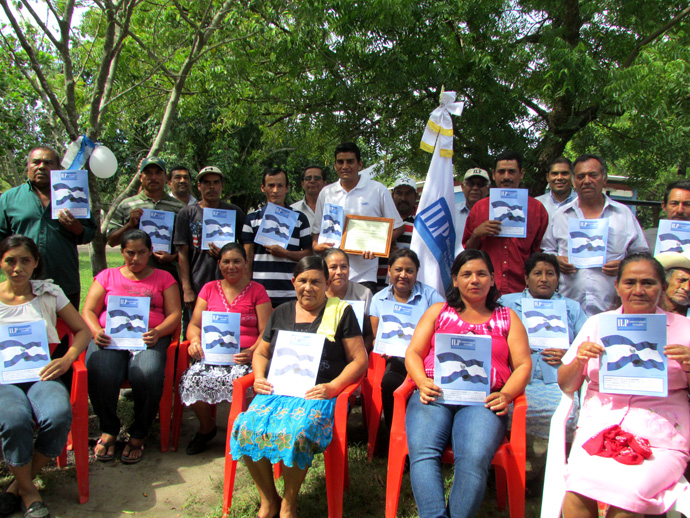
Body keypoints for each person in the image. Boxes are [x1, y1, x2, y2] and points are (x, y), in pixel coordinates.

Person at [230, 256, 367, 518]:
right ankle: (269, 498)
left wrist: (333, 387)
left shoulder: (340, 312)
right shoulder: (281, 312)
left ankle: (289, 503)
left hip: (319, 395)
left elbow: (360, 360)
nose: (308, 287)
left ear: (327, 283)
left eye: (316, 281)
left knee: (298, 430)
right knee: (245, 427)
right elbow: (261, 353)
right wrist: (259, 375)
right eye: (302, 281)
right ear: (293, 282)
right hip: (278, 391)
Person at [558, 253, 690, 517]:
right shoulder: (597, 324)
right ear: (617, 286)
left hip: (661, 436)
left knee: (628, 495)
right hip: (599, 431)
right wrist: (580, 360)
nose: (638, 290)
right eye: (630, 282)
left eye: (648, 283)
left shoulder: (684, 328)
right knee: (578, 488)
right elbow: (566, 384)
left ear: (662, 287)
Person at [404, 249, 531, 518]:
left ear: (493, 280)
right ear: (455, 280)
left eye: (482, 274)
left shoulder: (507, 317)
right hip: (435, 394)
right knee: (423, 453)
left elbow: (523, 366)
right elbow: (413, 353)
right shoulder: (438, 311)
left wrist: (506, 395)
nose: (475, 280)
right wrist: (421, 381)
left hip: (485, 400)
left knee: (473, 459)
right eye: (466, 274)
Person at [0, 235, 91, 518]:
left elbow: (84, 331)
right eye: (10, 260)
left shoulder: (49, 293)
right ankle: (30, 493)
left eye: (25, 260)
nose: (18, 268)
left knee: (59, 414)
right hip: (4, 380)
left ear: (36, 262)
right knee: (14, 421)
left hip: (43, 374)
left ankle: (17, 486)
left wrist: (66, 359)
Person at [83, 229, 182, 464]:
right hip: (110, 340)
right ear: (122, 252)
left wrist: (157, 332)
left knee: (148, 373)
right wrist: (97, 332)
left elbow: (175, 314)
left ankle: (139, 432)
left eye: (141, 253)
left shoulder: (164, 278)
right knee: (100, 371)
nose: (135, 258)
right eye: (130, 253)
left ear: (150, 252)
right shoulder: (107, 276)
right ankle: (109, 428)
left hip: (150, 340)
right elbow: (88, 310)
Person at [178, 243, 272, 455]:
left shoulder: (257, 291)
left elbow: (265, 331)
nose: (232, 266)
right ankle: (206, 427)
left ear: (246, 263)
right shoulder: (209, 289)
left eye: (237, 261)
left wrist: (252, 351)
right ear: (219, 264)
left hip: (243, 358)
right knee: (191, 379)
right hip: (211, 356)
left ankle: (243, 433)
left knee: (245, 383)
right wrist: (194, 341)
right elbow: (194, 325)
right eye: (226, 261)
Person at [541, 154, 649, 316]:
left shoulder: (622, 214)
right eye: (581, 176)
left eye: (593, 175)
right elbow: (547, 250)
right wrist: (556, 259)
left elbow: (642, 255)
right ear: (574, 181)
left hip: (612, 307)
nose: (587, 180)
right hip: (568, 307)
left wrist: (625, 266)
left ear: (604, 179)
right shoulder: (561, 215)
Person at [498, 253, 586, 440]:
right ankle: (515, 459)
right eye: (538, 273)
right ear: (526, 278)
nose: (544, 279)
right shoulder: (506, 303)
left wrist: (568, 354)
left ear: (558, 279)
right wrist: (514, 349)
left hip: (557, 378)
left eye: (550, 274)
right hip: (515, 376)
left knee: (567, 417)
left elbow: (586, 344)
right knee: (503, 413)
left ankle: (551, 462)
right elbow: (491, 338)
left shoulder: (572, 307)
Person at [0, 146, 97, 308]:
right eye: (36, 162)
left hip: (63, 279)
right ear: (28, 167)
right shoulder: (9, 198)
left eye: (48, 163)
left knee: (65, 330)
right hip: (22, 281)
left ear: (58, 169)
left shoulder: (74, 197)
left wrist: (77, 228)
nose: (41, 167)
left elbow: (90, 233)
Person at [312, 142, 404, 293]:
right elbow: (316, 233)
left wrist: (377, 245)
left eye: (350, 161)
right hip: (332, 274)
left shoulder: (378, 190)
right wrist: (317, 246)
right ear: (335, 165)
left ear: (359, 164)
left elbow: (398, 227)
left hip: (364, 275)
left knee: (360, 317)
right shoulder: (326, 193)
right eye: (340, 162)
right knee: (331, 316)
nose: (345, 166)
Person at [370, 248, 444, 433]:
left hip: (425, 357)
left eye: (409, 271)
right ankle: (393, 435)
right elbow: (376, 335)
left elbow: (444, 326)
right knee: (389, 382)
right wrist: (382, 347)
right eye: (398, 269)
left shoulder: (431, 296)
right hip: (393, 359)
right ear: (389, 271)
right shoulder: (379, 299)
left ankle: (422, 433)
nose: (403, 275)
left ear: (416, 273)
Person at [462, 150, 549, 295]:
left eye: (511, 171)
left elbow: (539, 253)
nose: (506, 177)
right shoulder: (480, 208)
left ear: (521, 174)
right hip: (486, 291)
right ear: (494, 174)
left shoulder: (536, 209)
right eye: (501, 172)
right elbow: (469, 252)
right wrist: (477, 233)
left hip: (522, 291)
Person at [174, 166, 246, 319]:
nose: (211, 187)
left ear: (222, 186)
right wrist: (186, 288)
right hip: (197, 283)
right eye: (206, 183)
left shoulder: (235, 213)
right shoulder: (186, 213)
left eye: (216, 182)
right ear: (199, 186)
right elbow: (182, 253)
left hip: (229, 284)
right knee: (193, 329)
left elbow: (245, 248)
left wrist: (226, 253)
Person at [107, 157, 186, 281]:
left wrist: (173, 257)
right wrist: (130, 225)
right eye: (148, 173)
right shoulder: (127, 204)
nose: (153, 177)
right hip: (133, 276)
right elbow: (111, 241)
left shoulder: (179, 207)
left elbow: (188, 245)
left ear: (166, 178)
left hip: (167, 275)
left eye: (158, 173)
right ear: (140, 178)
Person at [243, 168, 312, 308]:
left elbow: (308, 254)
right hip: (260, 293)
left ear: (287, 188)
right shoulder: (252, 219)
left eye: (280, 185)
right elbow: (247, 259)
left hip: (291, 293)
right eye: (271, 185)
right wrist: (246, 290)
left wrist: (285, 253)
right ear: (263, 188)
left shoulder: (299, 219)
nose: (275, 190)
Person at [323, 247, 374, 351]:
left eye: (344, 267)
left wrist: (359, 354)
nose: (339, 272)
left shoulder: (364, 294)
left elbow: (370, 334)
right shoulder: (318, 293)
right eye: (333, 267)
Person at [377, 176, 418, 290]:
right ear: (392, 195)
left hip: (408, 286)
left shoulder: (423, 223)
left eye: (408, 193)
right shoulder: (380, 220)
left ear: (416, 196)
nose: (403, 198)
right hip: (379, 284)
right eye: (399, 193)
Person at [644, 179, 690, 250]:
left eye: (687, 204)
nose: (679, 210)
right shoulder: (646, 239)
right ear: (664, 206)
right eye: (674, 204)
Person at [454, 167, 490, 255]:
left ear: (488, 189)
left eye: (481, 184)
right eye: (471, 183)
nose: (475, 188)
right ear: (462, 187)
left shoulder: (496, 214)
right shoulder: (451, 212)